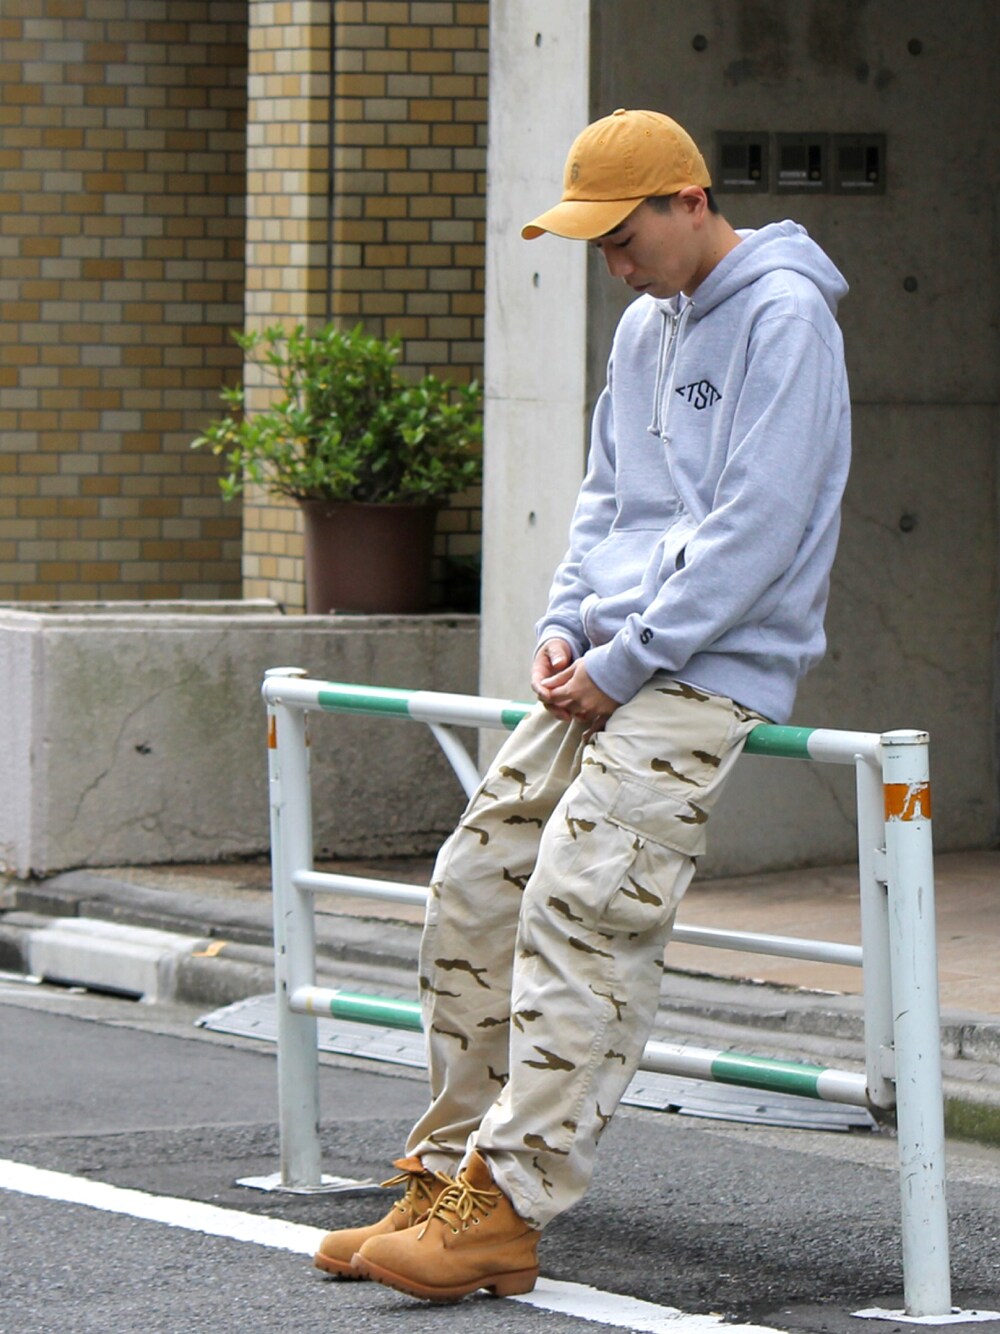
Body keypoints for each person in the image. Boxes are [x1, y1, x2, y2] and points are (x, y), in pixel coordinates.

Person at [314, 107, 852, 1303]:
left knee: (585, 896)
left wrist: (629, 654)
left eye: (622, 237)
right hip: (615, 654)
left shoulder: (784, 315)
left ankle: (505, 1207)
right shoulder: (645, 324)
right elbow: (607, 496)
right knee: (474, 878)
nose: (612, 264)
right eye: (596, 244)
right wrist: (565, 623)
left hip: (711, 662)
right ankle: (447, 1175)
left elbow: (759, 525)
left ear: (689, 201)